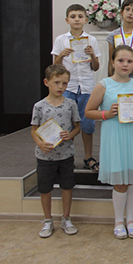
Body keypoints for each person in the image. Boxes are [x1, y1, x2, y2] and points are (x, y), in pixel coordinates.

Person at [85, 45, 133, 239]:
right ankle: (118, 221)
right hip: (115, 135)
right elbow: (88, 112)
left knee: (131, 179)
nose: (125, 64)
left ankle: (131, 220)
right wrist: (106, 113)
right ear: (113, 62)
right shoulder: (104, 85)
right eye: (121, 60)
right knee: (120, 181)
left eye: (129, 61)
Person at [30, 64, 81, 238]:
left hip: (66, 154)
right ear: (47, 82)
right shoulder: (39, 106)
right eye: (57, 82)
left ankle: (66, 218)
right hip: (45, 156)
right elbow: (34, 130)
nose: (61, 87)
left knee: (67, 186)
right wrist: (40, 143)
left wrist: (70, 134)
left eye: (64, 83)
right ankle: (47, 220)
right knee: (45, 188)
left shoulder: (71, 104)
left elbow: (77, 127)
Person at [51, 4, 101, 171]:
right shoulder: (61, 40)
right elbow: (55, 67)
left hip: (86, 86)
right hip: (68, 87)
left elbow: (96, 67)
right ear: (67, 20)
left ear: (85, 20)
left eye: (80, 16)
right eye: (73, 16)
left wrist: (92, 54)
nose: (77, 19)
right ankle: (68, 157)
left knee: (87, 124)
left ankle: (88, 157)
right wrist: (61, 55)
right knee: (67, 123)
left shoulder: (91, 40)